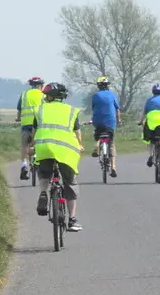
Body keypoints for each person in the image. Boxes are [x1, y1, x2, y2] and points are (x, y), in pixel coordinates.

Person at [33, 82, 83, 231]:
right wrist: (80, 145)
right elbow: (77, 132)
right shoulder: (71, 111)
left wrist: (32, 146)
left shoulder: (39, 110)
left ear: (48, 97)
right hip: (65, 151)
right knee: (70, 182)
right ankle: (72, 220)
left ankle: (43, 193)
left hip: (44, 148)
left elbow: (34, 132)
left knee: (44, 174)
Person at [89, 76, 120, 177]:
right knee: (111, 143)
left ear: (98, 86)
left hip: (98, 121)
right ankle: (113, 167)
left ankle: (97, 144)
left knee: (98, 134)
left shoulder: (95, 96)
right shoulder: (112, 95)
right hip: (110, 121)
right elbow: (117, 110)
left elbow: (93, 108)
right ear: (107, 86)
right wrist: (118, 120)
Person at [17, 76, 45, 180]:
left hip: (26, 124)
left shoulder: (24, 95)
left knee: (24, 145)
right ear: (40, 85)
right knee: (38, 144)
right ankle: (39, 163)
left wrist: (18, 118)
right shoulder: (43, 95)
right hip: (39, 124)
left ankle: (24, 165)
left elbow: (19, 109)